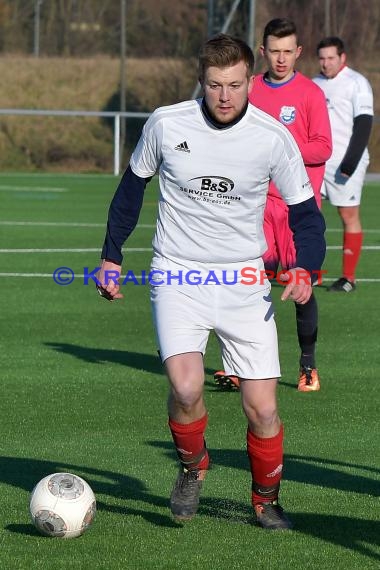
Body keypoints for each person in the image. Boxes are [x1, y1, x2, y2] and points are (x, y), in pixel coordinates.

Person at [96, 34, 326, 530]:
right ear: (201, 80)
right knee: (185, 387)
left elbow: (307, 216)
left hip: (245, 280)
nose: (225, 96)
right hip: (178, 273)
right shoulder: (167, 122)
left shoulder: (271, 137)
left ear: (250, 80)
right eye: (215, 85)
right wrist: (111, 256)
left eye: (236, 86)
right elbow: (131, 189)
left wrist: (304, 267)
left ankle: (266, 499)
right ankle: (192, 465)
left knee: (263, 408)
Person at [215, 18, 332, 393]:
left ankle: (307, 367)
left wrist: (282, 149)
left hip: (298, 209)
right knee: (247, 286)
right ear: (263, 52)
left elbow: (323, 147)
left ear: (298, 53)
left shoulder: (311, 93)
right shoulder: (250, 92)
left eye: (288, 52)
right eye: (274, 51)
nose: (281, 59)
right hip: (257, 207)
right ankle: (237, 367)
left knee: (302, 287)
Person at [313, 36, 373, 292]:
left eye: (331, 58)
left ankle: (349, 278)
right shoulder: (314, 84)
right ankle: (311, 272)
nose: (326, 63)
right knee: (309, 215)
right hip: (317, 162)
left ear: (342, 58)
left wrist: (349, 164)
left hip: (346, 162)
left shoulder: (357, 83)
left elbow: (363, 125)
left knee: (347, 214)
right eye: (322, 58)